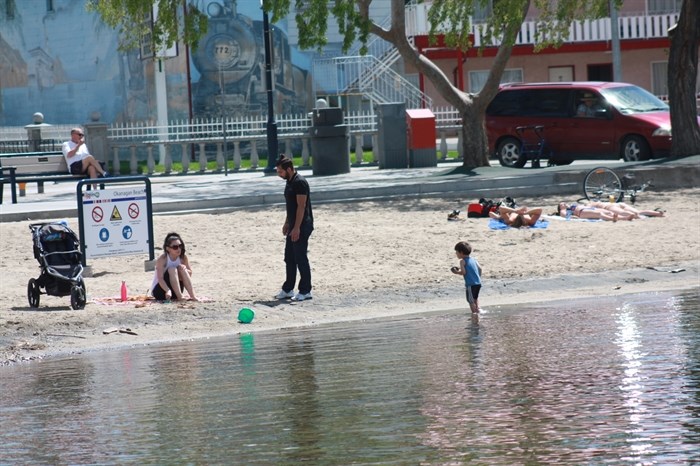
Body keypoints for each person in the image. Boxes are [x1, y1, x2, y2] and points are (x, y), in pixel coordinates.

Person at [275, 155, 314, 301]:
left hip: (303, 225)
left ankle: (305, 290)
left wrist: (297, 228)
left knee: (300, 257)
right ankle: (288, 289)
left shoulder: (300, 183)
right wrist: (287, 223)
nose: (279, 174)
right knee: (289, 257)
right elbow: (290, 207)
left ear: (289, 169)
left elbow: (301, 207)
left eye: (280, 172)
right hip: (293, 224)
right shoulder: (289, 181)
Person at [151, 232, 198, 301]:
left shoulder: (183, 258)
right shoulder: (163, 259)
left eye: (180, 246)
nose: (178, 249)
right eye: (175, 247)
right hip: (162, 290)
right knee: (172, 269)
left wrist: (184, 269)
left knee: (182, 269)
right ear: (168, 249)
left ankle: (193, 296)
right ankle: (180, 297)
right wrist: (168, 290)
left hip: (176, 289)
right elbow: (160, 278)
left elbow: (189, 274)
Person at [451, 241, 482, 314]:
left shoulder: (462, 261)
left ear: (461, 252)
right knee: (475, 298)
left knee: (470, 300)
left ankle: (474, 314)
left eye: (457, 252)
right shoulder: (473, 259)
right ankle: (478, 310)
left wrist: (456, 272)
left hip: (470, 284)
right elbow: (480, 269)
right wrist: (478, 278)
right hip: (478, 283)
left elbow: (463, 272)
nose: (456, 254)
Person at [587, 200, 665, 219]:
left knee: (626, 213)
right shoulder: (598, 202)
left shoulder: (589, 205)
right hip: (618, 203)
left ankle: (636, 216)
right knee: (639, 211)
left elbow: (589, 211)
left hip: (610, 207)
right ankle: (658, 213)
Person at [557, 202, 623, 221]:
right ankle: (612, 219)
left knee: (608, 212)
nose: (564, 204)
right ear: (560, 208)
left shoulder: (571, 205)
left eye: (564, 202)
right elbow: (566, 215)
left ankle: (624, 218)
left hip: (588, 208)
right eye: (562, 204)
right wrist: (573, 217)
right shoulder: (563, 210)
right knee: (600, 214)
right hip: (581, 212)